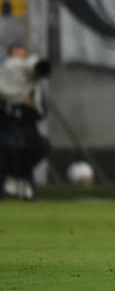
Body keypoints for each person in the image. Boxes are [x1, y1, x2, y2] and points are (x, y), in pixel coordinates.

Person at [0, 43, 51, 200]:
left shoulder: (33, 87)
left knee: (40, 146)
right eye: (16, 57)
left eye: (23, 57)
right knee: (5, 148)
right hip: (4, 131)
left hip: (27, 133)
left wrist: (29, 106)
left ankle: (22, 182)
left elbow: (42, 113)